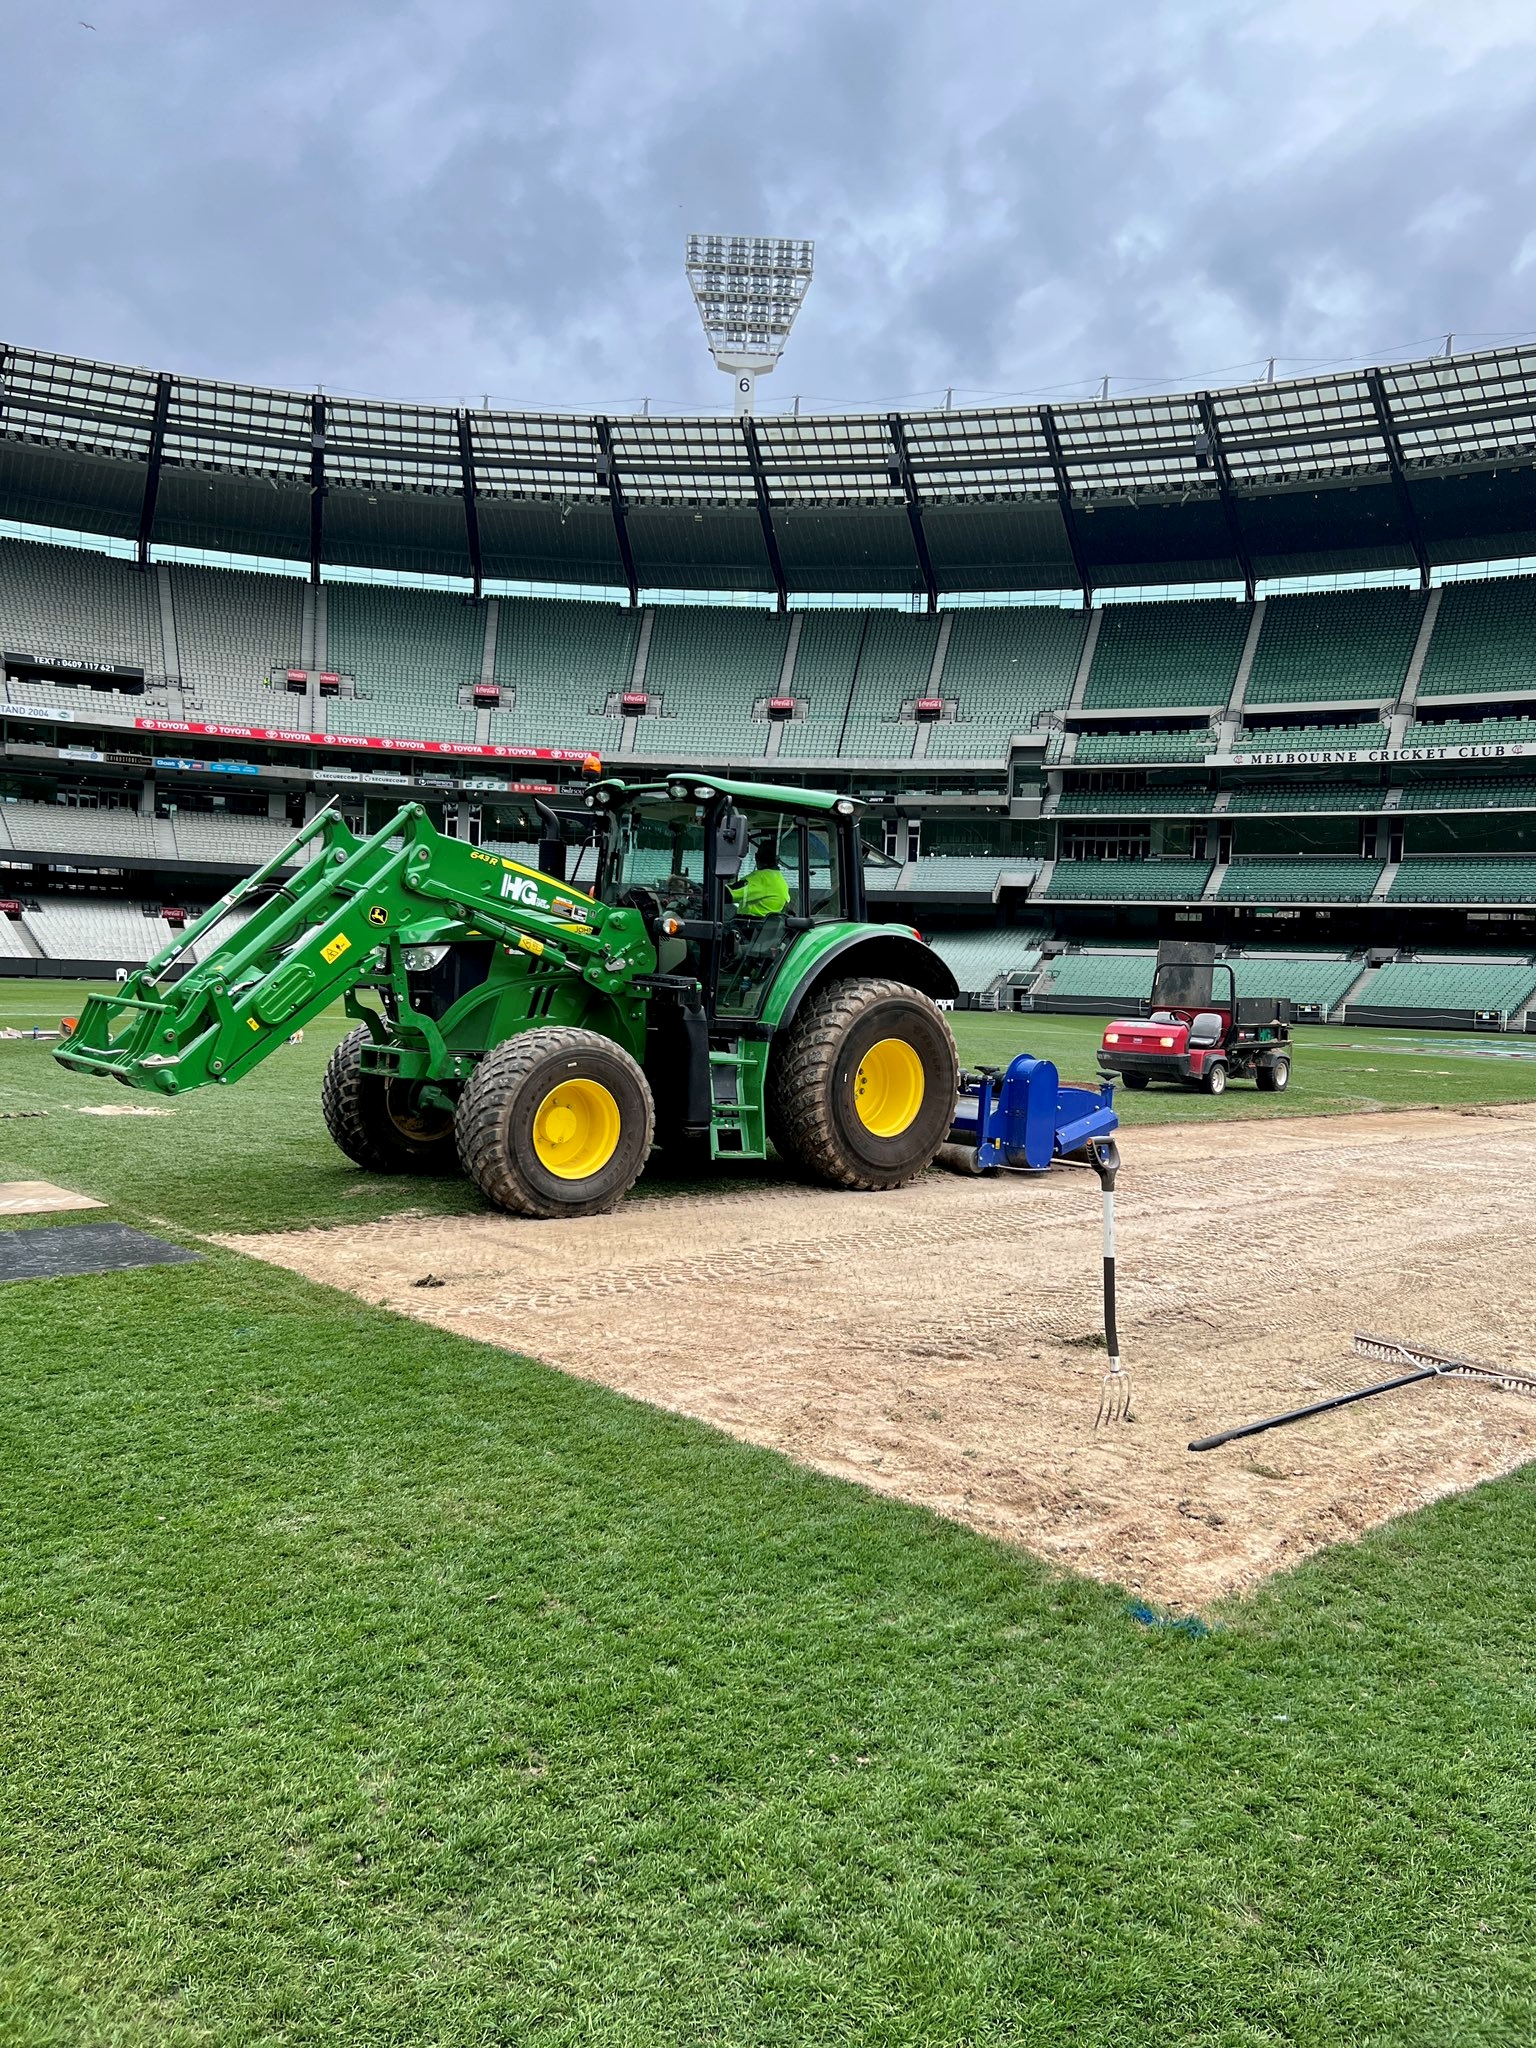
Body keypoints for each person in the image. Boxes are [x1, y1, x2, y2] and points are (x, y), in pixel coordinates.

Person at [729, 835, 791, 917]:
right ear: (778, 860)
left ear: (756, 857)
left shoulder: (759, 878)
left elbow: (729, 894)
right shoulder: (781, 881)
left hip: (749, 926)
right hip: (764, 926)